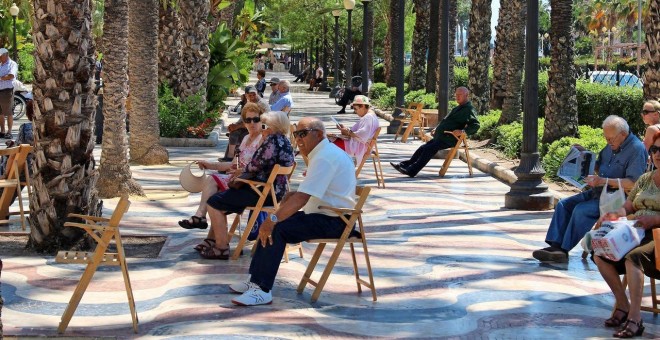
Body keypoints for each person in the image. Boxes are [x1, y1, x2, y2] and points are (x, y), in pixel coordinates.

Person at [229, 117, 357, 306]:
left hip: (336, 220)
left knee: (276, 228)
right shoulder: (323, 153)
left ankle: (262, 290)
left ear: (319, 134)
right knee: (275, 225)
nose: (298, 139)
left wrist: (272, 218)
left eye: (303, 134)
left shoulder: (325, 157)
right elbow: (312, 192)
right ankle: (255, 280)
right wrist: (288, 202)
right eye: (296, 134)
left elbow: (302, 199)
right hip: (325, 214)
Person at [532, 115, 647, 263]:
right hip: (598, 191)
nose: (608, 142)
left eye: (611, 139)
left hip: (616, 199)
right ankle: (555, 246)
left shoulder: (636, 149)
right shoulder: (611, 145)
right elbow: (599, 166)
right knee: (563, 204)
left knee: (581, 210)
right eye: (606, 138)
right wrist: (583, 154)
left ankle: (563, 250)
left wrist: (603, 181)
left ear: (623, 134)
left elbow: (634, 183)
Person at [592, 130, 660, 338]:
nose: (658, 154)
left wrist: (655, 220)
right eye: (655, 149)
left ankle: (635, 318)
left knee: (634, 258)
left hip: (657, 236)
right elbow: (628, 207)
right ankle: (623, 305)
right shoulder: (645, 178)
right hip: (634, 232)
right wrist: (612, 215)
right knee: (601, 255)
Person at [200, 111, 295, 260]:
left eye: (265, 125)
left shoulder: (271, 142)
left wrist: (240, 172)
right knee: (223, 202)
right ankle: (214, 241)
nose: (263, 128)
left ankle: (221, 247)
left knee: (214, 202)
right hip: (276, 193)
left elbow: (254, 166)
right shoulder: (286, 142)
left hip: (261, 191)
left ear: (272, 127)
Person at [179, 102, 265, 232]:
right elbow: (233, 164)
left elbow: (258, 166)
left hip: (248, 183)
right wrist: (210, 164)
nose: (252, 123)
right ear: (245, 122)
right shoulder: (246, 138)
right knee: (214, 193)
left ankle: (203, 221)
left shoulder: (263, 139)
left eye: (256, 119)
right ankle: (213, 239)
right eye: (248, 120)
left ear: (261, 119)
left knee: (213, 186)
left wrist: (240, 170)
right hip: (236, 180)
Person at [389, 87, 480, 178]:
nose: (457, 97)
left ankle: (412, 171)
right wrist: (436, 128)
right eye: (456, 95)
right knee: (422, 148)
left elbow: (476, 125)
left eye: (459, 95)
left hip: (450, 138)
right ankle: (405, 165)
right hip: (441, 137)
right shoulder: (457, 108)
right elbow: (445, 120)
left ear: (466, 95)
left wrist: (462, 131)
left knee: (429, 149)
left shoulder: (469, 109)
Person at [328, 95, 379, 165]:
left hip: (357, 147)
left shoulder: (368, 118)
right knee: (330, 140)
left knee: (328, 145)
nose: (355, 111)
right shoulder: (371, 116)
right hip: (358, 145)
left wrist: (348, 132)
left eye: (355, 109)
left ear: (363, 106)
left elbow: (362, 136)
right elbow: (358, 133)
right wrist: (345, 130)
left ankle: (334, 168)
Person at [0, 48, 17, 139]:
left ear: (6, 55)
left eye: (1, 56)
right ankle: (2, 131)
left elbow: (11, 75)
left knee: (9, 112)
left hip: (7, 91)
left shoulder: (12, 64)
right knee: (0, 113)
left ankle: (9, 132)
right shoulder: (0, 64)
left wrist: (1, 78)